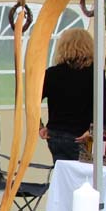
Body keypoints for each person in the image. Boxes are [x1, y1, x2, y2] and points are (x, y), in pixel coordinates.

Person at [39, 27, 94, 161]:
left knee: (61, 169)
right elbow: (103, 105)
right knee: (83, 171)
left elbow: (32, 102)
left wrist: (39, 126)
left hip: (55, 134)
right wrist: (93, 130)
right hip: (82, 134)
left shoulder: (52, 73)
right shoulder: (94, 73)